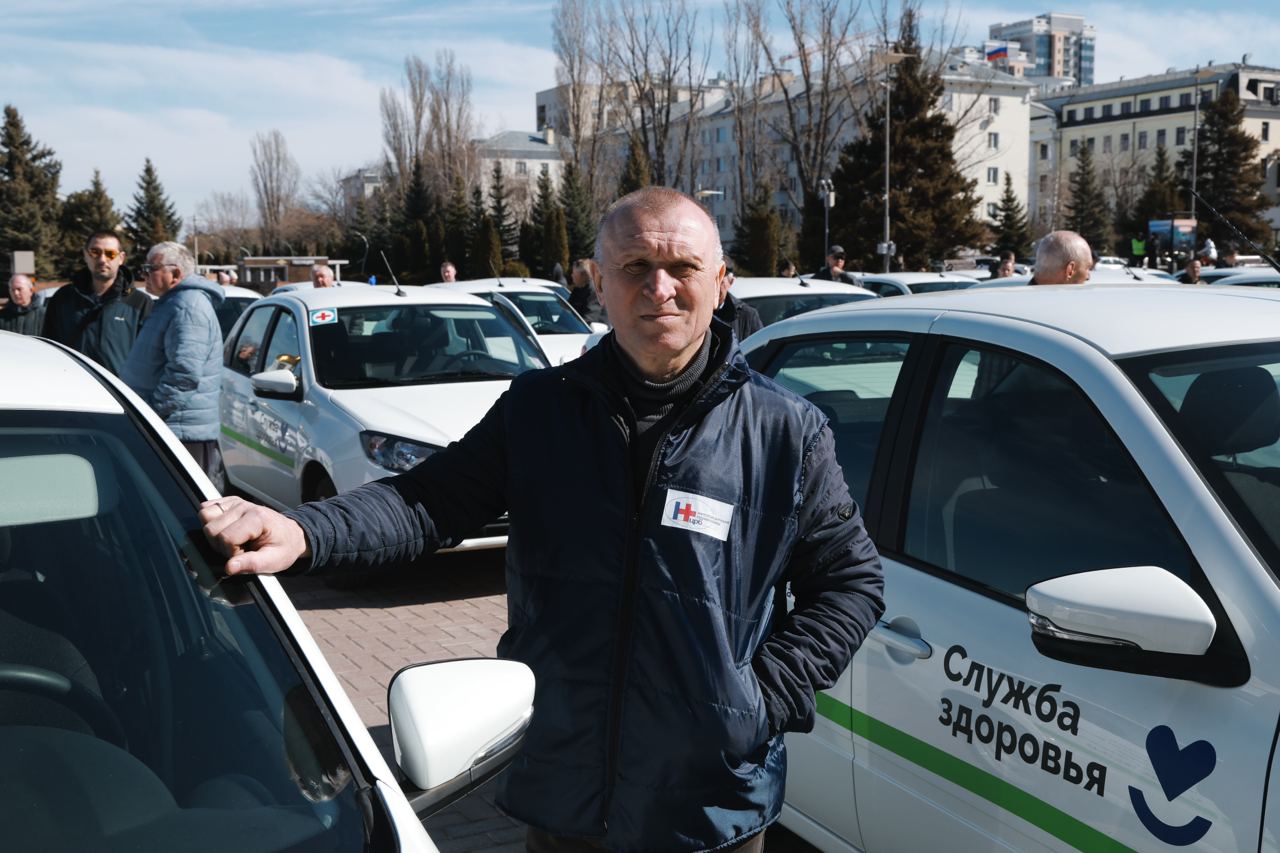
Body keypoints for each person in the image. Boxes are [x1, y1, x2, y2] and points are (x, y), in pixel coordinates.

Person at [199, 186, 884, 852]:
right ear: (598, 282)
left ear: (721, 282)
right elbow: (427, 499)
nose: (661, 288)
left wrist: (757, 700)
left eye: (683, 267)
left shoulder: (785, 431)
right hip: (566, 790)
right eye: (636, 266)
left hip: (709, 806)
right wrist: (304, 531)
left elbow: (851, 582)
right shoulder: (540, 409)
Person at [121, 242, 226, 486]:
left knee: (182, 503)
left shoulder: (188, 307)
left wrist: (150, 412)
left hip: (180, 433)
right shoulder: (174, 302)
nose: (144, 274)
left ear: (176, 273)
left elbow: (184, 375)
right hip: (171, 428)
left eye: (151, 268)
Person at [42, 230, 153, 375]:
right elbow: (48, 349)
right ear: (85, 255)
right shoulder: (63, 298)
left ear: (121, 258)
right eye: (95, 252)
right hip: (69, 385)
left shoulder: (139, 303)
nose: (102, 259)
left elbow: (149, 358)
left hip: (117, 388)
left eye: (110, 254)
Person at [714, 259, 763, 342]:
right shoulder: (696, 310)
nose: (715, 287)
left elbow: (760, 345)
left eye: (721, 282)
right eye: (712, 281)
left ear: (731, 282)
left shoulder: (747, 315)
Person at [568, 257, 606, 324]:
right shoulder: (577, 290)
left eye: (574, 273)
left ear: (582, 275)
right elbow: (567, 310)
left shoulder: (593, 292)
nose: (572, 275)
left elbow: (589, 318)